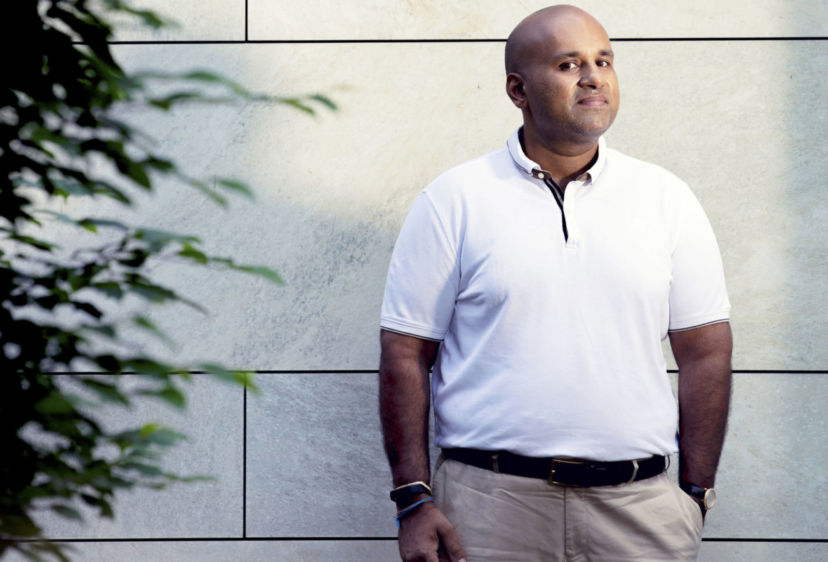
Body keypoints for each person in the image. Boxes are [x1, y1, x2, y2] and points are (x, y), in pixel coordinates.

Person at [378, 4, 732, 561]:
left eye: (603, 61)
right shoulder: (454, 199)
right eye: (569, 64)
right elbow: (404, 352)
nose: (593, 77)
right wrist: (413, 499)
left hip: (640, 514)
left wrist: (693, 495)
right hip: (488, 511)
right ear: (517, 90)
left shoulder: (666, 199)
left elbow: (706, 352)